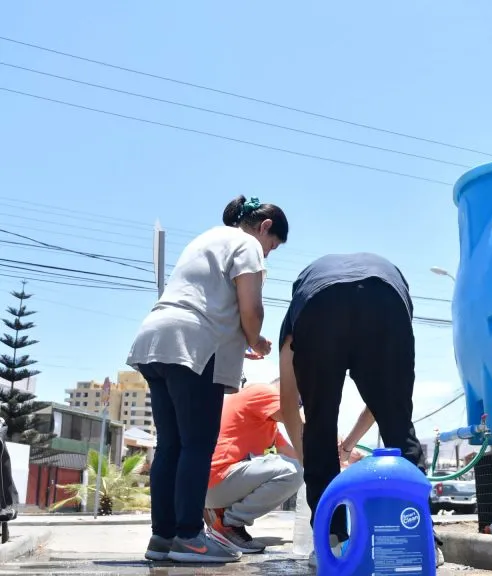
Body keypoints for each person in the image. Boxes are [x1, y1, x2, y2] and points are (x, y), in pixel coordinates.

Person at [127, 196, 288, 563]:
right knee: (198, 445)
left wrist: (239, 335)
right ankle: (190, 537)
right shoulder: (247, 244)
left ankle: (163, 538)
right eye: (273, 244)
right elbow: (251, 306)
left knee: (171, 445)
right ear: (264, 228)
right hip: (193, 344)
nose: (269, 252)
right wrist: (256, 339)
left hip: (155, 338)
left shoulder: (205, 239)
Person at [274, 253, 437, 568]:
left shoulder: (298, 307)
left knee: (319, 427)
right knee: (398, 424)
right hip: (387, 296)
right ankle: (420, 537)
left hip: (318, 305)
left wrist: (310, 456)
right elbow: (384, 403)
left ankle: (331, 545)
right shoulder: (389, 283)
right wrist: (347, 444)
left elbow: (289, 402)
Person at [203, 379, 303, 554]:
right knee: (293, 471)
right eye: (301, 400)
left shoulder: (268, 424)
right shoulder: (262, 390)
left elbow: (292, 452)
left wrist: (337, 462)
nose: (300, 405)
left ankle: (221, 516)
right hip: (216, 481)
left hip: (211, 488)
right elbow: (295, 419)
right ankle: (228, 525)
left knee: (292, 465)